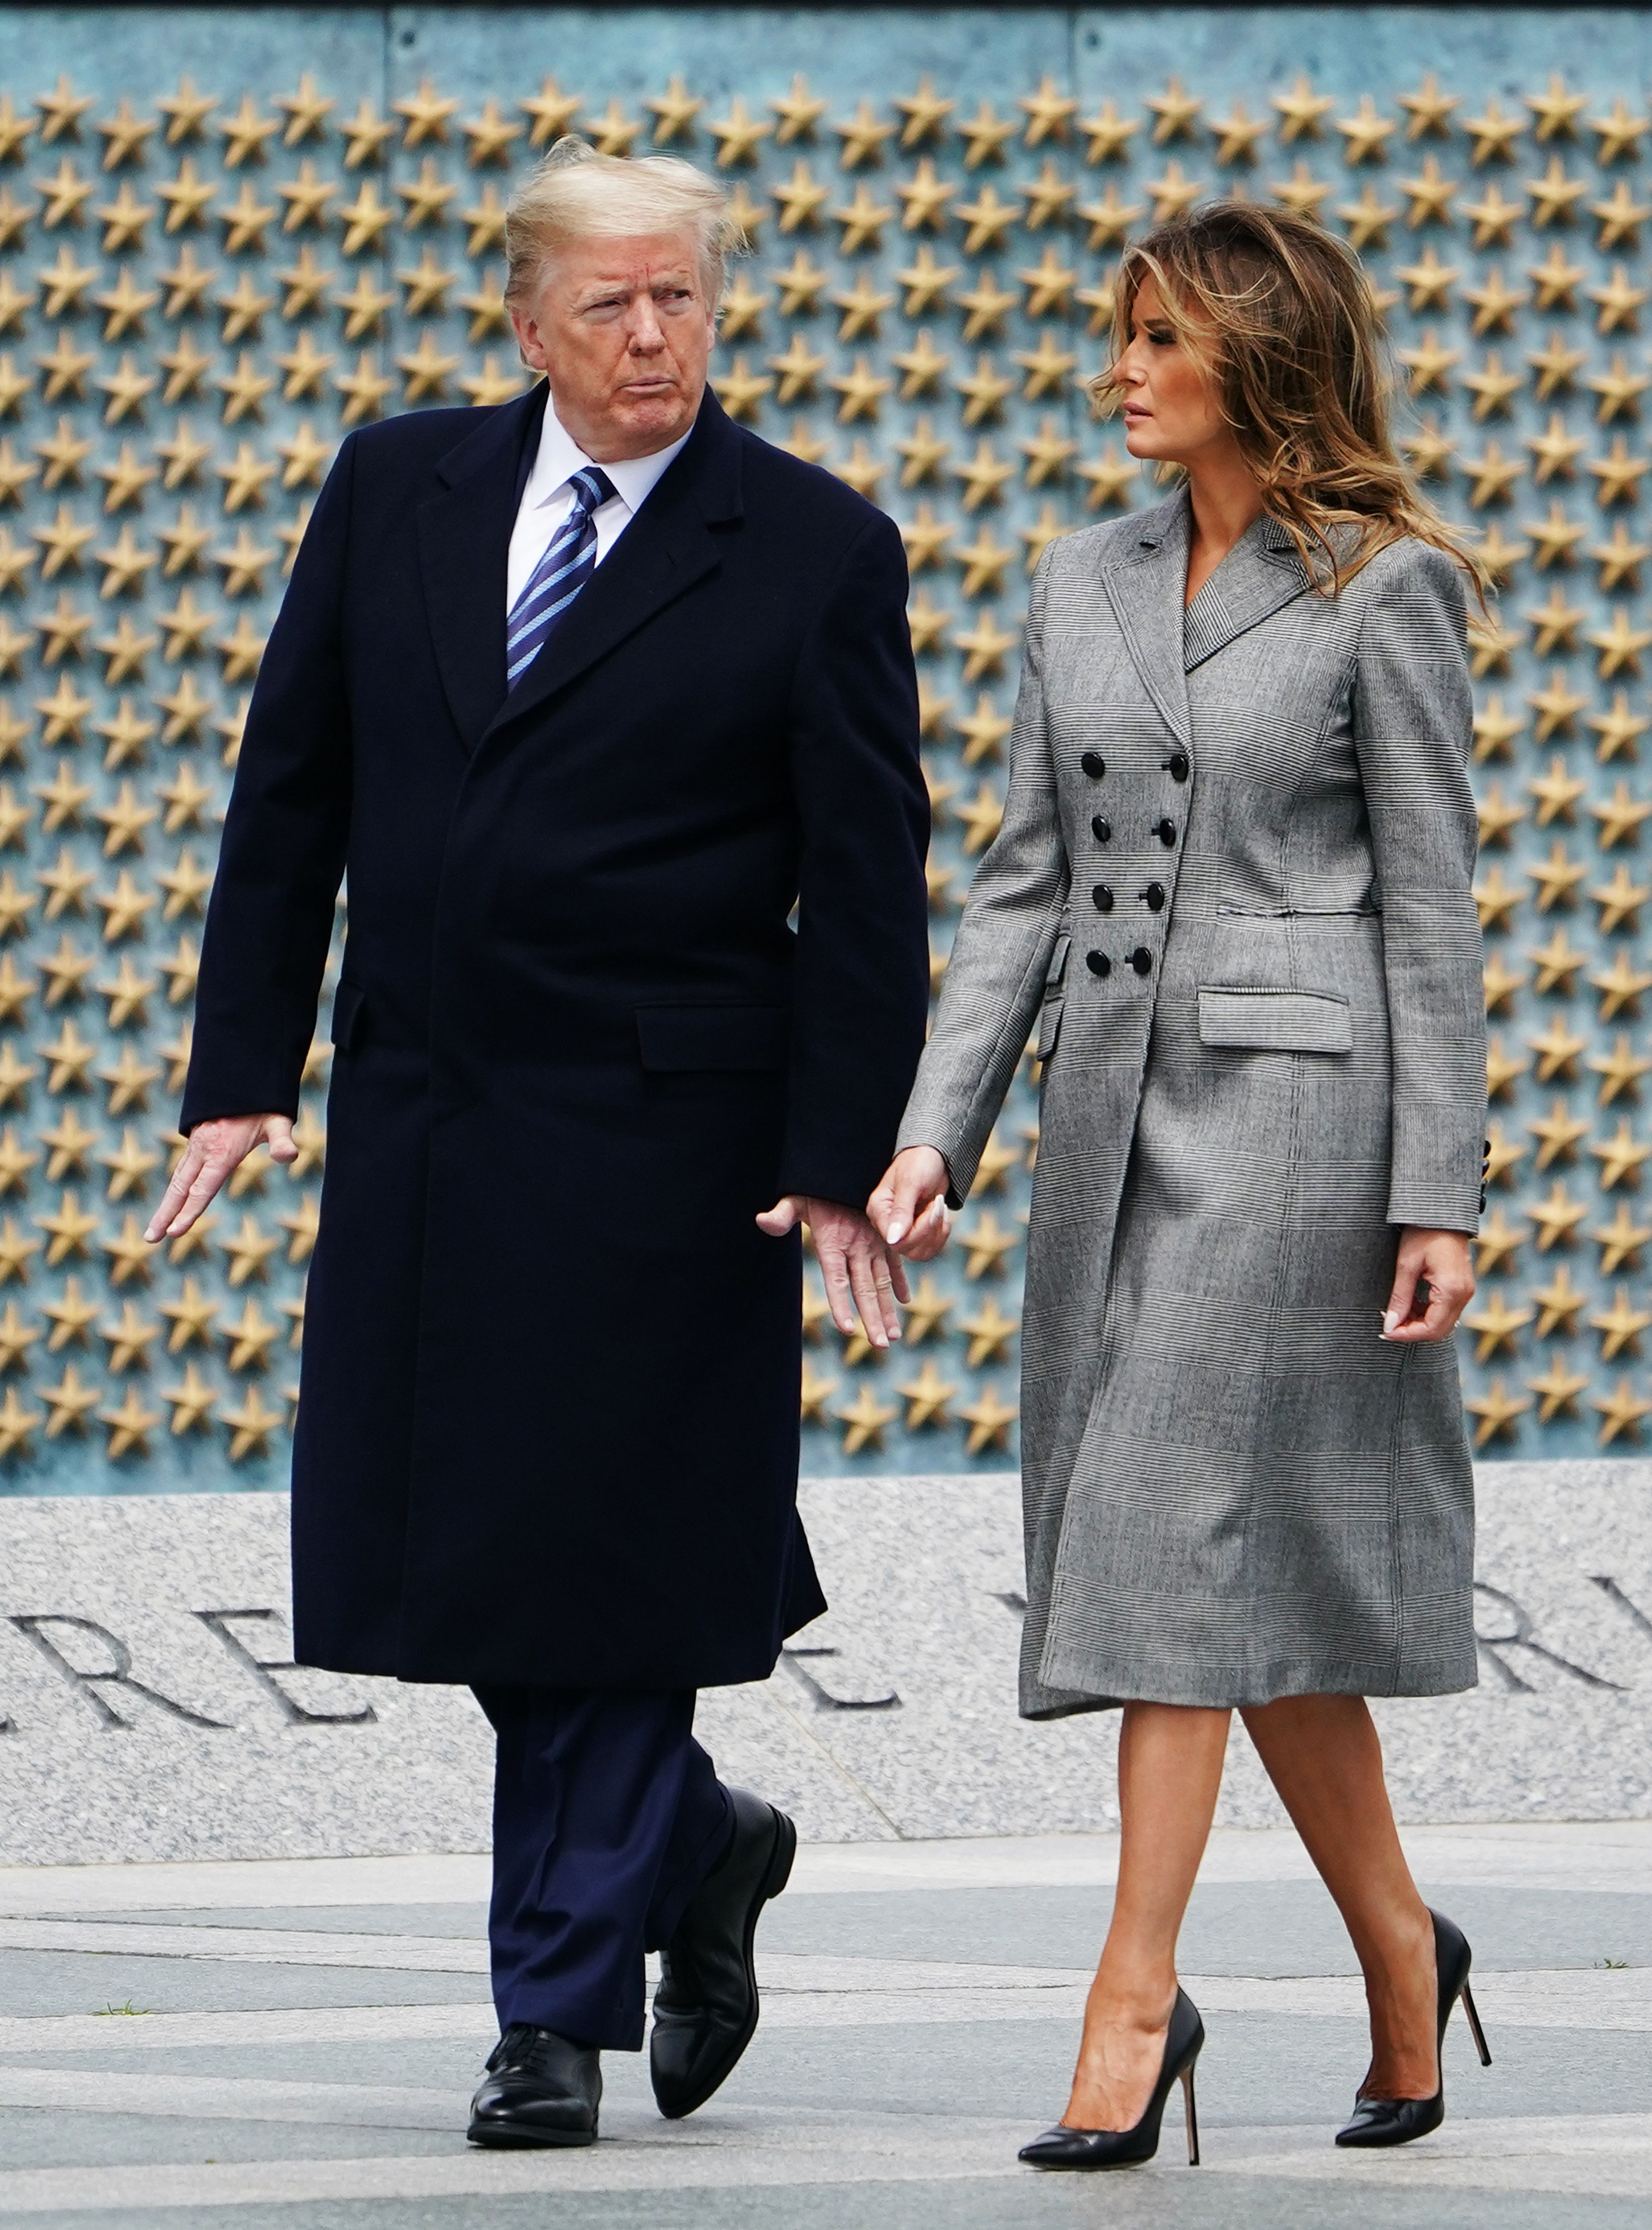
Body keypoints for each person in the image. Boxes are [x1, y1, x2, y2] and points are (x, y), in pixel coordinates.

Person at [147, 138, 929, 2148]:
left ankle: (548, 2017)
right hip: (427, 1120)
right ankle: (700, 1843)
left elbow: (866, 885)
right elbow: (291, 784)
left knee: (599, 1565)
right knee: (465, 1560)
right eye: (613, 303)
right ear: (529, 320)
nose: (655, 334)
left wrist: (844, 1150)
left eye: (682, 296)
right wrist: (244, 1068)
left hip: (673, 1143)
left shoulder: (816, 548)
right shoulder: (395, 484)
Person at [871, 203, 1493, 2169]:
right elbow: (1025, 881)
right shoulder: (1082, 578)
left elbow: (1435, 908)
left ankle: (1130, 2010)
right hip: (1109, 1129)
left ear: (1253, 353)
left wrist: (1441, 1188)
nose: (1118, 368)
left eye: (1156, 339)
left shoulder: (1379, 589)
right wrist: (932, 1130)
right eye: (1118, 335)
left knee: (1158, 1544)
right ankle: (1406, 1958)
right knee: (1249, 1582)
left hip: (1302, 1129)